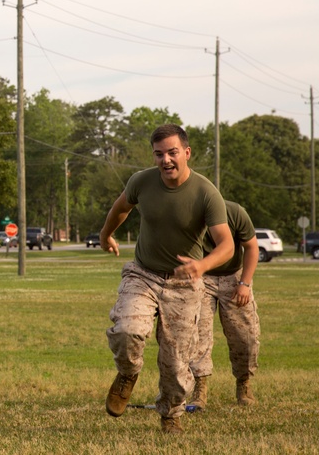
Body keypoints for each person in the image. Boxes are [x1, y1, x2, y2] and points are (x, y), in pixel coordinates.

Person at [99, 124, 235, 434]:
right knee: (127, 331)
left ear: (187, 153)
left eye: (172, 153)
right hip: (143, 274)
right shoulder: (141, 182)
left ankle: (171, 413)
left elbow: (226, 245)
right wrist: (106, 235)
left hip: (184, 284)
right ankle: (127, 374)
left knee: (175, 362)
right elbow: (121, 207)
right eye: (159, 154)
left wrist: (202, 266)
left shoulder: (205, 192)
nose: (166, 160)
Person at [189, 200, 261, 410]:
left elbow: (252, 247)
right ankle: (199, 388)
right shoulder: (189, 213)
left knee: (244, 335)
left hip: (234, 276)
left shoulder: (235, 212)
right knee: (198, 334)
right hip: (202, 277)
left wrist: (245, 284)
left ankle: (244, 383)